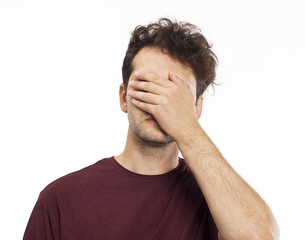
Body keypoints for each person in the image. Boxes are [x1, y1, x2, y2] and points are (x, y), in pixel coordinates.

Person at [23, 18, 279, 240]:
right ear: (124, 98)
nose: (159, 103)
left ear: (196, 108)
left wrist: (186, 127)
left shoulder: (217, 202)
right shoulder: (61, 199)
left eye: (174, 93)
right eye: (146, 86)